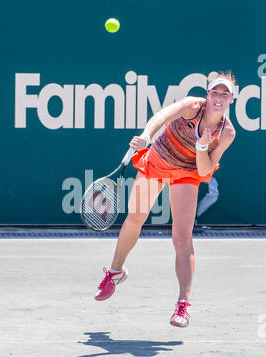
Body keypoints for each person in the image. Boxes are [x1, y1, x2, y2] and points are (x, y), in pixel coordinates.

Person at [94, 72, 236, 328]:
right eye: (215, 92)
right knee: (134, 219)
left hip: (188, 173)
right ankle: (115, 272)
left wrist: (202, 148)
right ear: (208, 94)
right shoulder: (192, 107)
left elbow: (204, 171)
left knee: (182, 237)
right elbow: (162, 117)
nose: (219, 98)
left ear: (231, 99)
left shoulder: (226, 134)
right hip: (157, 161)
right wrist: (147, 137)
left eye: (225, 94)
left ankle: (183, 304)